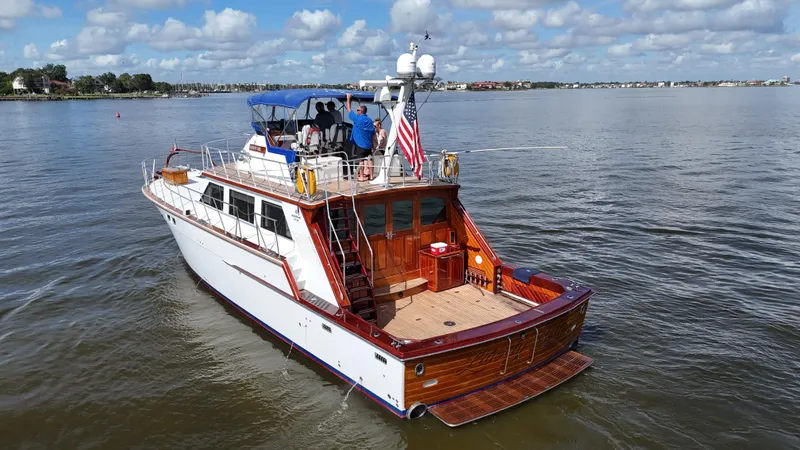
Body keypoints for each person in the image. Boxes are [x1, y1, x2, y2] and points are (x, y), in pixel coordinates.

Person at [345, 93, 375, 181]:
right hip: (368, 145)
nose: (356, 111)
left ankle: (361, 176)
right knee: (369, 159)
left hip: (360, 145)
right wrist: (372, 144)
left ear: (361, 111)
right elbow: (373, 133)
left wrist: (348, 98)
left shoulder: (358, 119)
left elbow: (349, 109)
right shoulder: (369, 120)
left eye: (357, 110)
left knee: (361, 160)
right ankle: (372, 176)